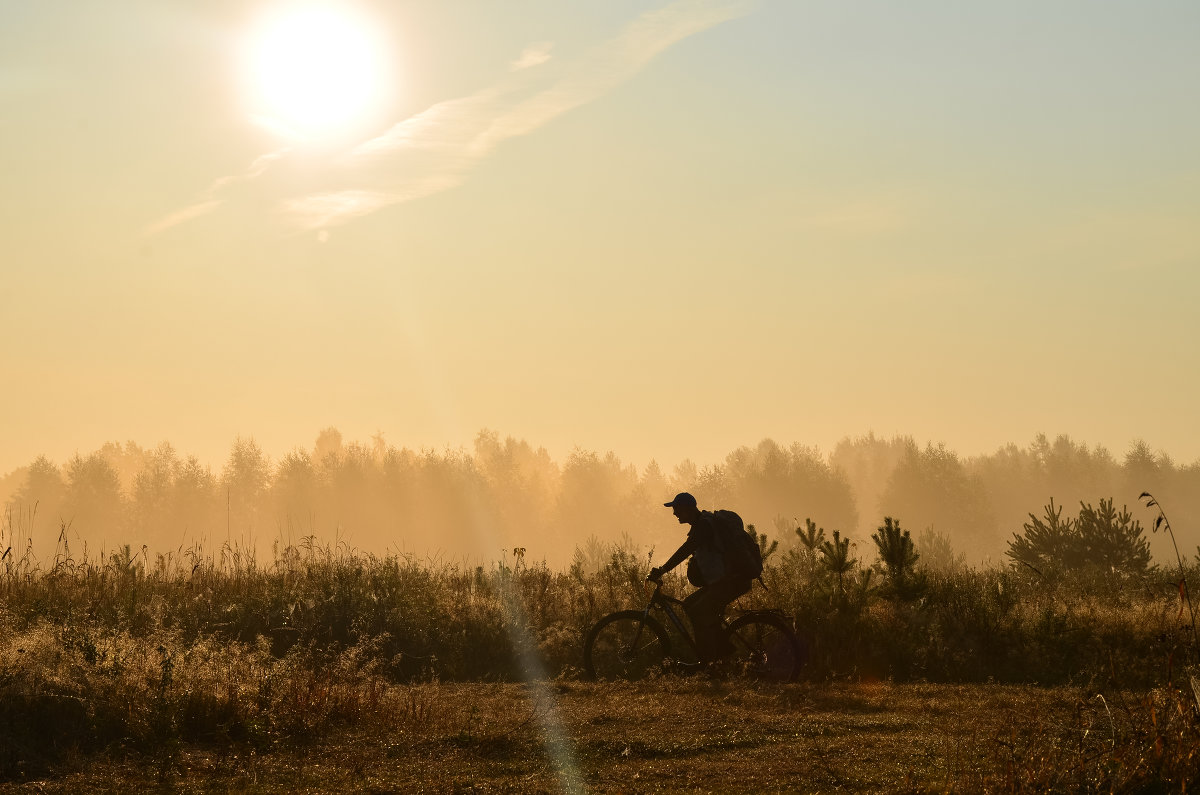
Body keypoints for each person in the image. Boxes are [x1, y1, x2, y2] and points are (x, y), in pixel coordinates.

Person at [648, 492, 753, 663]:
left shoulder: (704, 526)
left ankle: (709, 662)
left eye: (677, 509)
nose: (674, 513)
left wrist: (662, 569)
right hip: (724, 581)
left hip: (732, 581)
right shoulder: (701, 524)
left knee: (698, 610)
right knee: (689, 605)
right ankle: (719, 652)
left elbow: (686, 549)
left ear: (688, 509)